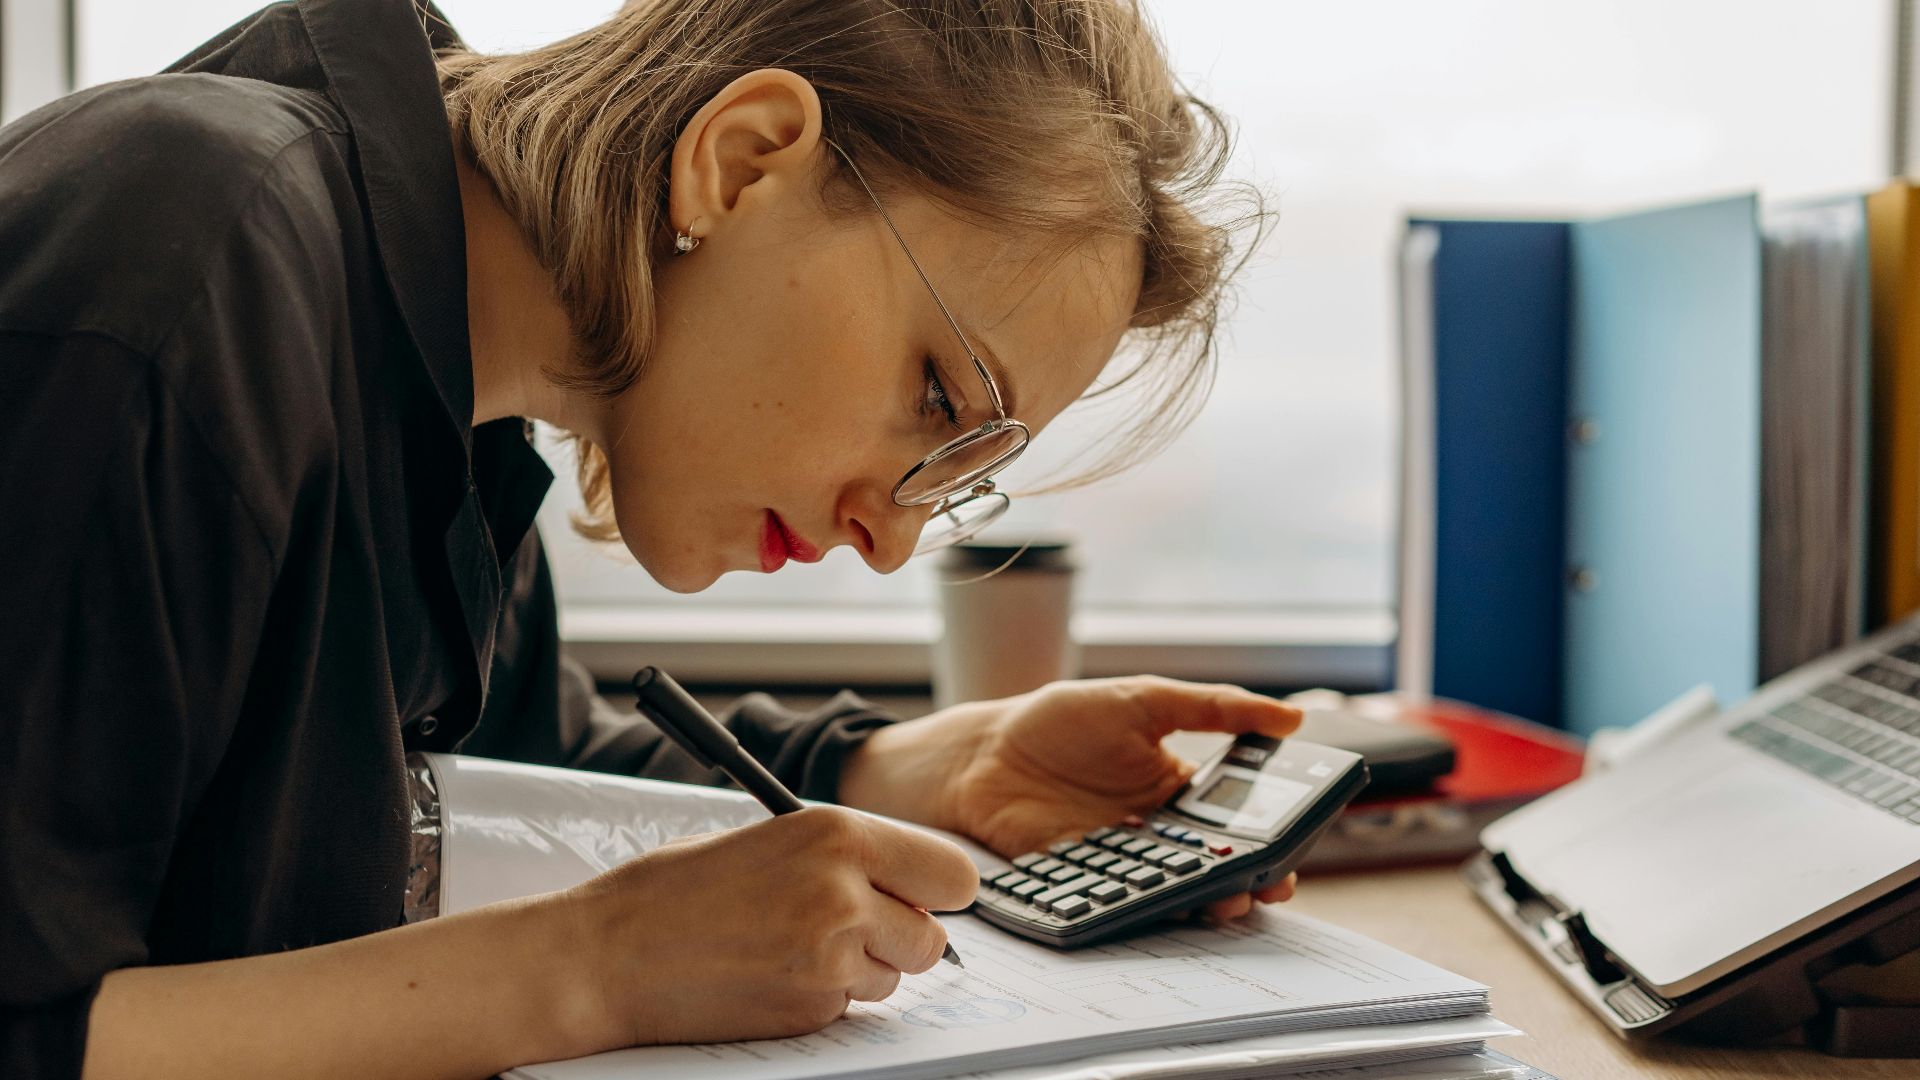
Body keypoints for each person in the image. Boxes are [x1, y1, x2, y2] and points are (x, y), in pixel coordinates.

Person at [0, 0, 1302, 1076]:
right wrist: (593, 970)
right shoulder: (185, 259)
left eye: (959, 472)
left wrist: (890, 770)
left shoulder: (454, 400)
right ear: (741, 163)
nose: (893, 541)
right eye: (939, 401)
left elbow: (494, 768)